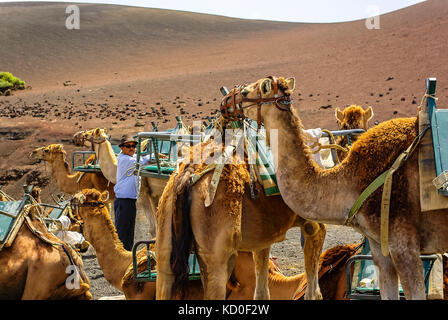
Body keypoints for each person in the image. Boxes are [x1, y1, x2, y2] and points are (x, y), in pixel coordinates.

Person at [114, 134, 150, 251]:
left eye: (133, 146)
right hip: (124, 202)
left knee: (129, 233)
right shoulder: (124, 159)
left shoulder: (131, 157)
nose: (131, 148)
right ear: (122, 148)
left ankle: (126, 256)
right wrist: (154, 156)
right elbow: (141, 160)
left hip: (129, 201)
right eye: (128, 146)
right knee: (122, 234)